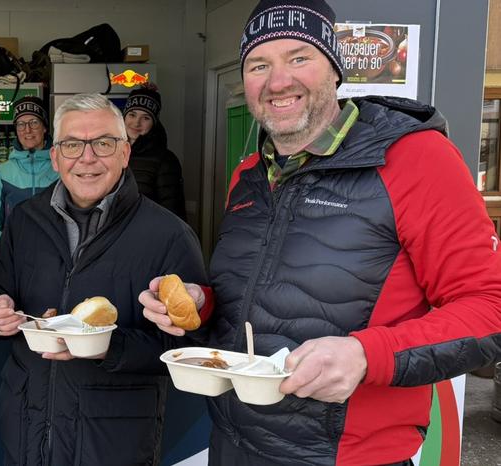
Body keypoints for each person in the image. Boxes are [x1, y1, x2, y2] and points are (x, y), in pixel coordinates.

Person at [140, 1, 501, 464]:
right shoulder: (249, 173)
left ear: (335, 69)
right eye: (259, 64)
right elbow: (256, 297)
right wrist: (201, 303)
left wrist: (366, 356)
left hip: (347, 455)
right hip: (234, 440)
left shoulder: (417, 158)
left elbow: (489, 308)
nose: (278, 81)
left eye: (299, 58)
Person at [0, 93, 207, 466]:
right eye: (71, 144)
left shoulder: (169, 235)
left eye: (102, 143)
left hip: (113, 442)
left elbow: (189, 348)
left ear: (125, 153)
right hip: (26, 430)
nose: (86, 158)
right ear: (55, 157)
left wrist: (106, 347)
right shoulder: (25, 221)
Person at [0, 95, 59, 251]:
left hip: (55, 261)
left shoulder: (61, 168)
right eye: (21, 124)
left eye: (34, 122)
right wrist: (6, 255)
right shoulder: (2, 173)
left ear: (44, 127)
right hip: (13, 262)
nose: (27, 130)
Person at [123, 84, 187, 220]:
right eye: (132, 115)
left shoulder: (166, 160)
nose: (136, 123)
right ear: (124, 117)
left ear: (154, 123)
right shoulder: (112, 152)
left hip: (147, 235)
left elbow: (173, 213)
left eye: (145, 118)